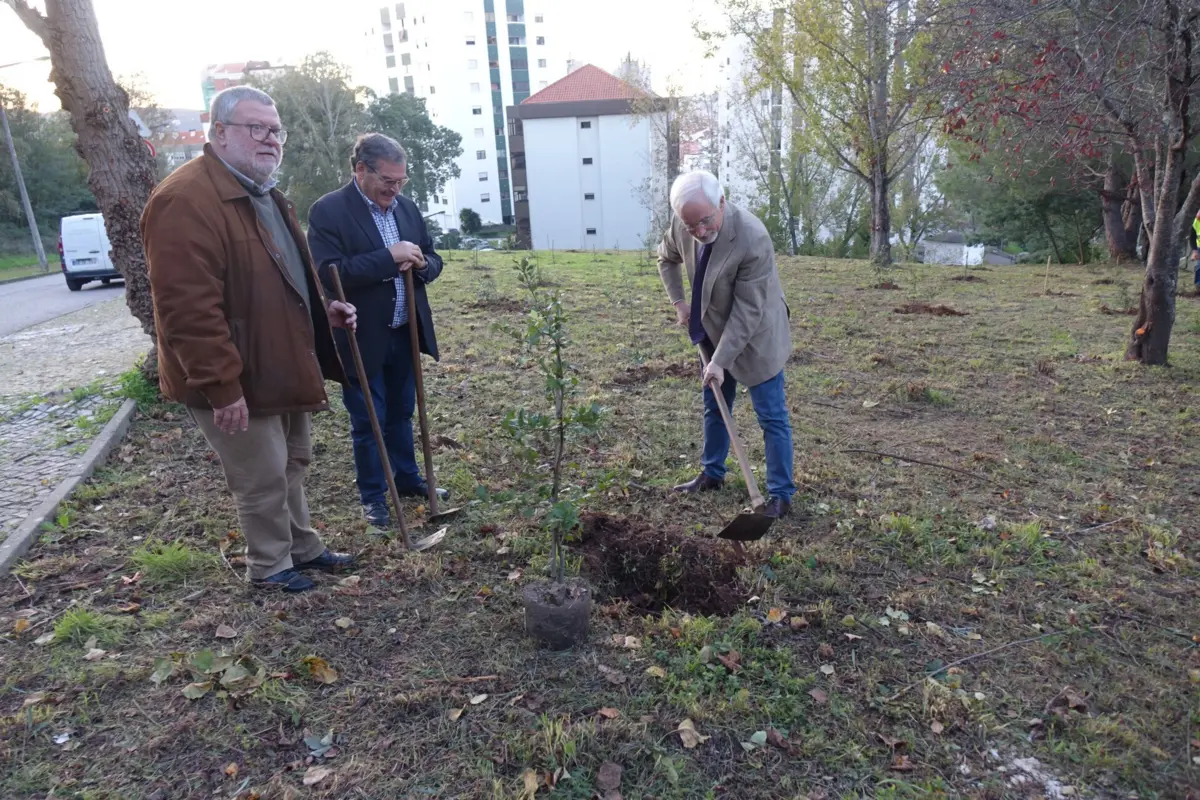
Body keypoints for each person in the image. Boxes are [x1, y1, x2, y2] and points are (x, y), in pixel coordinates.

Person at [142, 86, 357, 593]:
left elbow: (282, 270)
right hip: (235, 370)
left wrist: (323, 308)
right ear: (219, 132)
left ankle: (302, 547)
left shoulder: (261, 192)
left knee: (293, 461)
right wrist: (222, 385)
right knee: (261, 476)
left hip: (280, 357)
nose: (270, 139)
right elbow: (186, 310)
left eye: (276, 130)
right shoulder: (184, 200)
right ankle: (269, 566)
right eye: (256, 128)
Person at [307, 133, 445, 529]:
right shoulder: (329, 211)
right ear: (360, 170)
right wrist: (389, 257)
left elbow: (432, 257)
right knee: (369, 420)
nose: (395, 189)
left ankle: (407, 479)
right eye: (387, 180)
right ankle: (373, 496)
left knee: (401, 412)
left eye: (401, 181)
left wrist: (423, 265)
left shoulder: (407, 208)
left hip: (405, 332)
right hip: (360, 336)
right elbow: (329, 273)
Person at [657, 170, 796, 518]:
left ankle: (780, 495)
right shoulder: (684, 223)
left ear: (721, 202)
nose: (699, 231)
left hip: (758, 334)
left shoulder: (752, 237)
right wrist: (679, 302)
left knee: (772, 417)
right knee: (715, 406)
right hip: (712, 329)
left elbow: (748, 311)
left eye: (705, 221)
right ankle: (712, 474)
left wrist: (720, 361)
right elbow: (666, 258)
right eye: (691, 226)